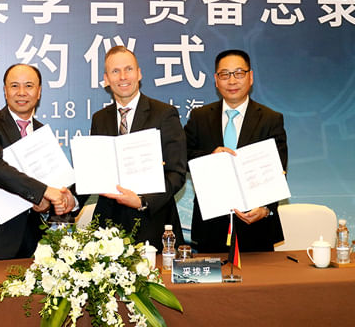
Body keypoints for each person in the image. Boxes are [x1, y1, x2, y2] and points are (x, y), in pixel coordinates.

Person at [0, 64, 77, 260]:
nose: (22, 93)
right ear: (5, 91)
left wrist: (52, 202)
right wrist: (43, 191)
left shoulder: (42, 132)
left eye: (29, 86)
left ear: (39, 91)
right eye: (14, 86)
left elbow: (50, 183)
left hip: (34, 240)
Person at [184, 49, 288, 252]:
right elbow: (181, 156)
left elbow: (279, 170)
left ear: (251, 77)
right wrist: (210, 158)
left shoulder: (270, 119)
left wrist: (265, 209)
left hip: (256, 225)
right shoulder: (199, 117)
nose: (232, 81)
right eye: (225, 74)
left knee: (261, 274)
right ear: (216, 80)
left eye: (239, 73)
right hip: (210, 226)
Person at [87, 46, 187, 248]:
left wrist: (142, 201)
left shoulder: (164, 113)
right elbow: (95, 171)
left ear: (139, 73)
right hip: (108, 227)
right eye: (115, 71)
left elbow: (176, 172)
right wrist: (68, 199)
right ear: (106, 79)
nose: (123, 77)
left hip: (153, 223)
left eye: (128, 69)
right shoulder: (100, 118)